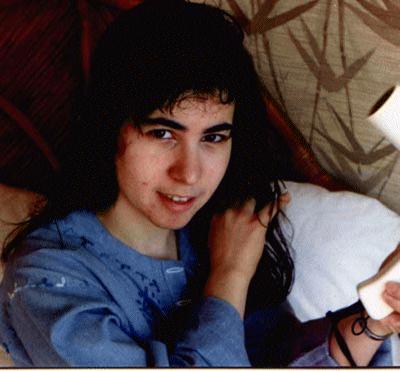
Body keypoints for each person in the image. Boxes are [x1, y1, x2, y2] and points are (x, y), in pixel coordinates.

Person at [0, 0, 399, 367]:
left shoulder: (217, 230)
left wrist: (373, 320)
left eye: (213, 137)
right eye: (162, 134)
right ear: (111, 128)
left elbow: (275, 357)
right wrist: (227, 280)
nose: (189, 174)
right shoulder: (45, 280)